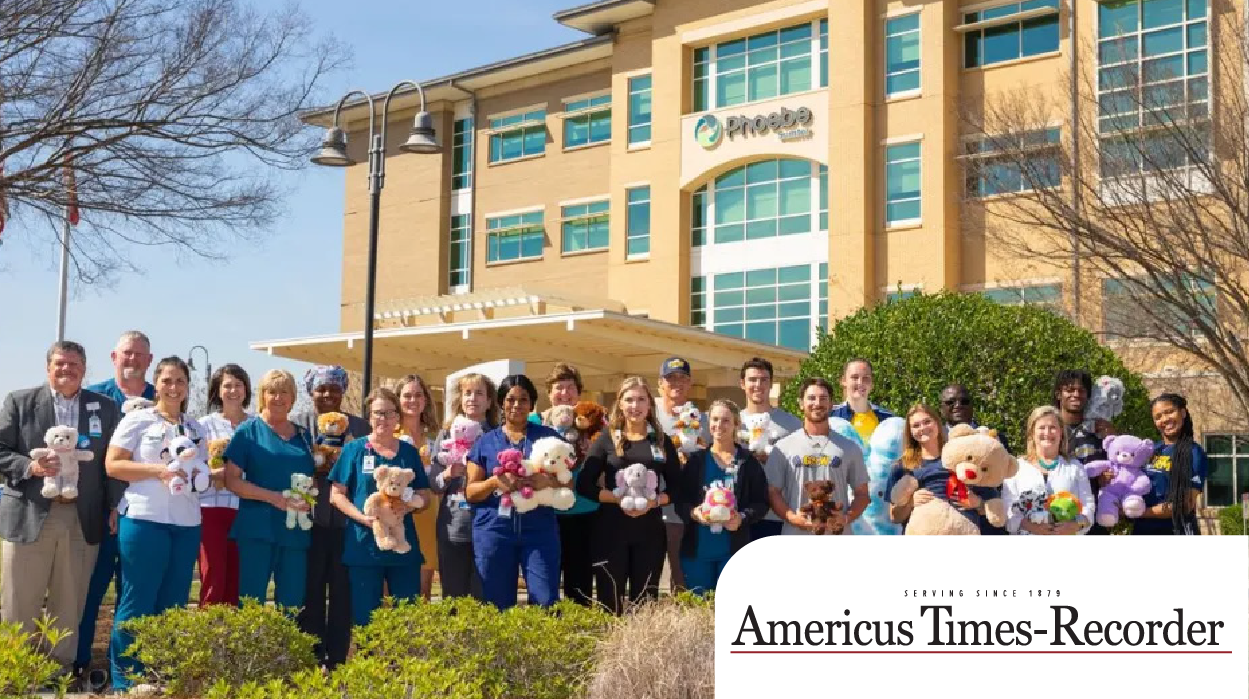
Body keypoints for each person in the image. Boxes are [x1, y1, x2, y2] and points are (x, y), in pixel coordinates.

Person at [0, 341, 122, 679]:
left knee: (69, 603)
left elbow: (112, 463)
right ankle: (14, 675)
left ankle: (57, 675)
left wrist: (114, 504)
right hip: (29, 514)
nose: (67, 369)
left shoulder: (105, 408)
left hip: (81, 518)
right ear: (48, 367)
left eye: (74, 364)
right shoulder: (20, 401)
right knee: (20, 601)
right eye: (60, 363)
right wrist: (30, 467)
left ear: (84, 369)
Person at [105, 356, 205, 693]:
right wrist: (158, 471)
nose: (173, 387)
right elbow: (113, 465)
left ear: (187, 386)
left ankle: (160, 674)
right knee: (138, 600)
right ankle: (127, 681)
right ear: (156, 384)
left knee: (173, 603)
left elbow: (201, 471)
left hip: (187, 523)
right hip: (144, 520)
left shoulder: (196, 427)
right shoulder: (138, 419)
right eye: (167, 380)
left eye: (180, 381)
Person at [77, 330, 155, 690]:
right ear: (114, 357)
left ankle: (129, 670)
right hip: (99, 516)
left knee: (135, 596)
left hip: (144, 517)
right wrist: (109, 503)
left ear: (149, 360)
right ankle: (81, 664)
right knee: (91, 592)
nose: (133, 360)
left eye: (140, 354)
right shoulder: (92, 398)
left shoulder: (163, 400)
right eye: (127, 353)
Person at [330, 387, 433, 625]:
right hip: (364, 547)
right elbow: (336, 495)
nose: (383, 419)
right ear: (369, 416)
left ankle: (402, 653)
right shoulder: (354, 449)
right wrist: (362, 518)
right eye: (377, 413)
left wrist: (408, 507)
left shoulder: (409, 453)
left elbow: (424, 494)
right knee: (365, 619)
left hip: (403, 548)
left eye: (389, 413)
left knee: (406, 618)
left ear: (397, 416)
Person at [578, 377, 681, 614]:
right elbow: (584, 484)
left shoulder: (662, 440)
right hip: (610, 532)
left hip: (650, 532)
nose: (635, 406)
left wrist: (654, 502)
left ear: (650, 404)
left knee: (644, 604)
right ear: (620, 404)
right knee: (609, 603)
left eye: (641, 399)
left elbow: (678, 487)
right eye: (629, 400)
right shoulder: (606, 438)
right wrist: (616, 498)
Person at [464, 375, 564, 610]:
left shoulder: (549, 439)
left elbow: (569, 485)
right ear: (501, 402)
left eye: (523, 399)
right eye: (510, 399)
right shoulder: (485, 442)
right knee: (495, 604)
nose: (516, 405)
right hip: (494, 529)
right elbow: (470, 491)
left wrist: (548, 481)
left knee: (546, 601)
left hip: (539, 529)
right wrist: (494, 482)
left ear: (532, 404)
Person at [290, 366, 367, 670]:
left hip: (347, 523)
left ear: (343, 390)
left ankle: (337, 658)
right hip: (308, 521)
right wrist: (315, 466)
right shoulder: (298, 424)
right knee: (309, 589)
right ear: (311, 391)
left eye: (334, 388)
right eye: (321, 389)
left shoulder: (359, 426)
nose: (328, 395)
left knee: (341, 592)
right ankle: (309, 655)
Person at [223, 370, 315, 611]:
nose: (278, 397)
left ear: (293, 397)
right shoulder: (248, 431)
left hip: (295, 530)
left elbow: (311, 478)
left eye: (284, 392)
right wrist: (273, 498)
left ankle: (287, 639)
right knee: (251, 603)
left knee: (293, 604)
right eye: (272, 392)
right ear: (262, 396)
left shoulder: (304, 436)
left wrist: (308, 498)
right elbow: (231, 481)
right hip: (257, 529)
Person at [673, 400, 769, 595]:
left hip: (734, 554)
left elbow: (761, 503)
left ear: (736, 424)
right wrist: (694, 513)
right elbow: (681, 501)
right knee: (699, 608)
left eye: (726, 420)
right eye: (715, 419)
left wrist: (742, 517)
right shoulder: (696, 461)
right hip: (698, 553)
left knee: (731, 606)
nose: (719, 425)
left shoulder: (748, 462)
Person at [766, 377, 871, 536]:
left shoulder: (849, 447)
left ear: (831, 404)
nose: (817, 403)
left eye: (823, 398)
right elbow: (773, 492)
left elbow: (862, 494)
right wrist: (793, 518)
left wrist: (846, 518)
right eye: (811, 398)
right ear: (801, 403)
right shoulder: (783, 447)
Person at [429, 373, 497, 599]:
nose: (473, 398)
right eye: (468, 393)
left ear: (489, 401)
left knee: (484, 597)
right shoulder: (446, 434)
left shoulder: (497, 436)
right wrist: (447, 474)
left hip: (488, 525)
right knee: (454, 596)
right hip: (454, 526)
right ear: (460, 399)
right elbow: (434, 483)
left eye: (479, 393)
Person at [540, 363, 599, 606]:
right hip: (545, 512)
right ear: (549, 393)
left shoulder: (592, 424)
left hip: (584, 510)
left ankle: (579, 623)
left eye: (570, 388)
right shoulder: (536, 422)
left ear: (579, 393)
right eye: (558, 388)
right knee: (546, 580)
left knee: (580, 581)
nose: (564, 393)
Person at [197, 364, 252, 606]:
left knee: (239, 580)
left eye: (238, 385)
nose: (233, 391)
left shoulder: (257, 425)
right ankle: (209, 628)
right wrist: (220, 473)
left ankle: (234, 631)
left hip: (246, 510)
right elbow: (195, 468)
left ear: (246, 390)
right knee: (213, 577)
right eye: (227, 385)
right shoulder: (203, 425)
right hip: (211, 510)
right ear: (218, 391)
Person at [652, 357, 708, 593]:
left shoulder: (702, 419)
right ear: (660, 384)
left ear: (690, 383)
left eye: (682, 378)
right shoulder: (650, 416)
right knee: (648, 579)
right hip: (651, 508)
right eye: (670, 378)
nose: (677, 383)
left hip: (686, 511)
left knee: (682, 579)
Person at [1000, 406, 1095, 536]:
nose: (1047, 432)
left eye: (1053, 427)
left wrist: (1075, 525)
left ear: (1061, 433)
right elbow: (1007, 511)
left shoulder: (1075, 467)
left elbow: (1088, 507)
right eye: (1042, 427)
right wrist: (1030, 526)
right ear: (1032, 433)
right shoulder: (1015, 468)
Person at [739, 358, 802, 541]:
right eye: (752, 380)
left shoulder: (791, 424)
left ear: (771, 384)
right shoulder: (732, 421)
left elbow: (802, 466)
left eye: (764, 380)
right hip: (739, 513)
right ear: (742, 383)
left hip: (778, 516)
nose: (758, 385)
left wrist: (773, 460)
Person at [391, 374, 440, 601]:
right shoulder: (389, 434)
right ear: (397, 399)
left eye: (418, 395)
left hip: (428, 516)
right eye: (407, 395)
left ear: (426, 399)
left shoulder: (435, 436)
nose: (413, 400)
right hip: (396, 516)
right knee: (390, 593)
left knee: (423, 593)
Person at [937, 383, 1008, 534]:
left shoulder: (994, 440)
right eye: (950, 402)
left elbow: (1006, 483)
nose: (958, 406)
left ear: (972, 406)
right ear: (941, 408)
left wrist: (980, 504)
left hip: (987, 527)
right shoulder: (934, 439)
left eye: (964, 401)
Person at [1133, 393, 1206, 535]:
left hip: (1177, 531)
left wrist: (1140, 512)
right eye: (1158, 417)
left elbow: (1184, 505)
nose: (1165, 419)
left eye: (1169, 412)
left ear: (1183, 413)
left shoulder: (1193, 452)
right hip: (1142, 530)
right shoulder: (1151, 451)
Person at [1052, 370, 1114, 534]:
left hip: (1094, 519)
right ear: (1059, 394)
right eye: (1070, 390)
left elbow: (1121, 464)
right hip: (1056, 515)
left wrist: (1109, 475)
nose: (1076, 395)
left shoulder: (1100, 430)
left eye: (1081, 390)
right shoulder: (1049, 431)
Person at [829, 358, 894, 445]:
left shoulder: (887, 418)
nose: (860, 382)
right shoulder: (830, 416)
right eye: (855, 377)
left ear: (872, 384)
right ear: (843, 381)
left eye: (866, 378)